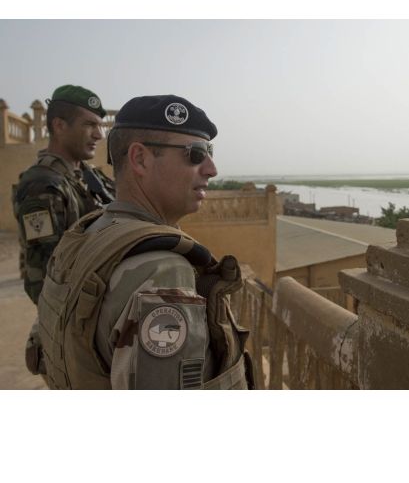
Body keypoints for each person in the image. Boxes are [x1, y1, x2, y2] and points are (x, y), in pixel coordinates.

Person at [37, 94, 253, 389]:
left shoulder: (88, 231)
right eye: (196, 154)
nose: (211, 169)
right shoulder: (162, 270)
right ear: (140, 159)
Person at [12, 84, 115, 375]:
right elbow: (46, 275)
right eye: (90, 125)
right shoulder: (42, 186)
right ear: (59, 125)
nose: (99, 134)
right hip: (72, 329)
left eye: (100, 125)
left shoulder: (87, 176)